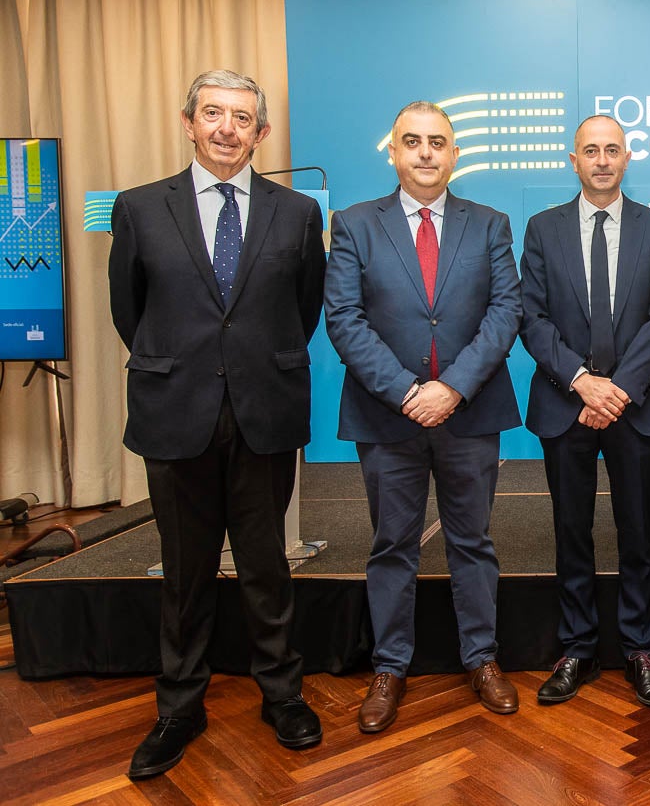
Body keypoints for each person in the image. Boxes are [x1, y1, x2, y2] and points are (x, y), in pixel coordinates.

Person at [108, 69, 326, 779]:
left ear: (261, 132)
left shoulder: (296, 213)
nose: (227, 128)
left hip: (266, 412)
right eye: (213, 114)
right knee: (185, 572)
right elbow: (129, 312)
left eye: (241, 117)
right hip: (175, 415)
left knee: (267, 567)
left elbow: (305, 308)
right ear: (188, 121)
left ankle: (282, 694)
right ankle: (179, 705)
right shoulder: (139, 208)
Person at [325, 101, 523, 731]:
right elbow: (344, 320)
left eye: (438, 141)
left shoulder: (490, 224)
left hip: (468, 412)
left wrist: (453, 388)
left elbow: (505, 314)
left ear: (455, 152)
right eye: (413, 141)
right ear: (394, 151)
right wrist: (409, 391)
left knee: (473, 542)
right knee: (391, 546)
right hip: (388, 416)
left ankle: (483, 658)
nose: (426, 152)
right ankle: (389, 667)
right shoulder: (354, 224)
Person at [520, 115, 650, 708]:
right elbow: (530, 318)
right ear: (574, 159)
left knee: (639, 535)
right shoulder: (542, 228)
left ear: (628, 157)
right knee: (571, 533)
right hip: (567, 403)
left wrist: (617, 390)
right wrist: (585, 383)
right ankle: (577, 647)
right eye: (592, 150)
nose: (603, 160)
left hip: (633, 408)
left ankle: (640, 647)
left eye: (612, 150)